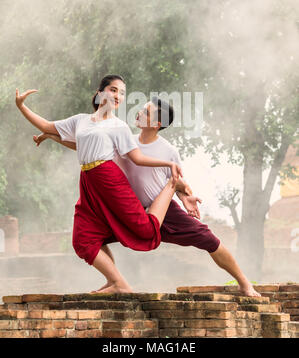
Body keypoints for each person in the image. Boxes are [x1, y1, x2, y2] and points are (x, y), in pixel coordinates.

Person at [35, 95, 261, 297]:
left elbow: (176, 181)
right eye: (141, 109)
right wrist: (52, 136)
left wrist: (185, 197)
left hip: (163, 211)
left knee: (209, 240)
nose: (139, 113)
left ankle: (244, 282)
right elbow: (85, 145)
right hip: (129, 211)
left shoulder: (168, 151)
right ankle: (113, 281)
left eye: (145, 112)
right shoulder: (125, 139)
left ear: (156, 123)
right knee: (91, 237)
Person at [15, 74, 187, 294]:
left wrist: (168, 163)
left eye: (122, 93)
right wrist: (23, 107)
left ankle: (119, 284)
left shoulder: (119, 126)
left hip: (109, 179)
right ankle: (116, 281)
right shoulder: (81, 121)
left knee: (144, 229)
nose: (118, 95)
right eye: (113, 90)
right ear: (100, 93)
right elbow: (50, 127)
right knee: (83, 238)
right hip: (88, 181)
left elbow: (137, 158)